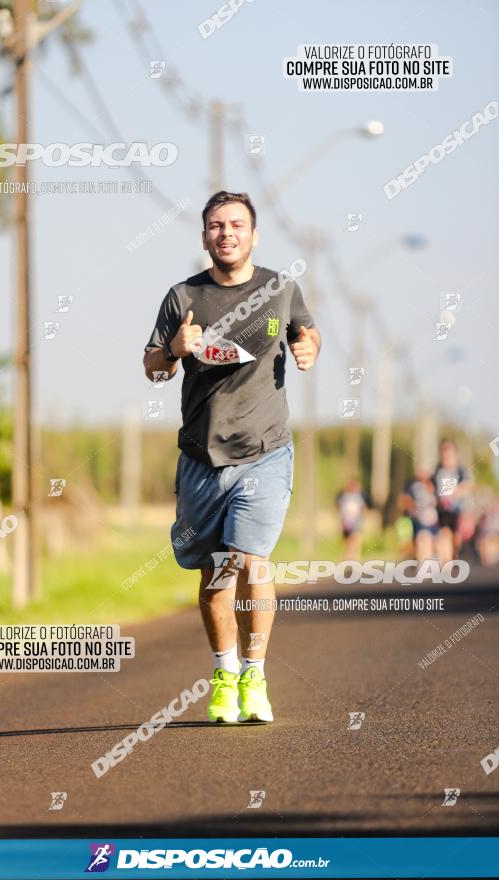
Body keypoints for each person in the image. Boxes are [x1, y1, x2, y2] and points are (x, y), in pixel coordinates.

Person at [143, 190, 321, 723]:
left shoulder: (280, 288)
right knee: (215, 574)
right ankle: (224, 674)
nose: (227, 233)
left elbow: (306, 332)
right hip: (201, 458)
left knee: (251, 561)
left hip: (266, 451)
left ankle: (255, 675)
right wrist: (174, 350)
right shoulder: (182, 297)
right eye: (217, 225)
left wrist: (310, 345)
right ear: (205, 237)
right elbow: (152, 367)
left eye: (237, 224)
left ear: (254, 234)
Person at [433, 440, 471, 565]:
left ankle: (454, 554)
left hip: (458, 509)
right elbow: (433, 486)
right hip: (443, 510)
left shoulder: (461, 470)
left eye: (449, 452)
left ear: (454, 454)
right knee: (445, 534)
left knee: (455, 537)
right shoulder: (438, 469)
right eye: (444, 452)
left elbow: (466, 486)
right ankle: (446, 563)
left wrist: (453, 492)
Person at [400, 468, 439, 563]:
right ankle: (423, 562)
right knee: (420, 539)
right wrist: (412, 507)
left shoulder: (434, 483)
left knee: (428, 539)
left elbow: (438, 500)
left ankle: (429, 561)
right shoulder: (412, 485)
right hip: (418, 518)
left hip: (431, 518)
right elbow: (405, 500)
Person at [336, 479, 367, 561]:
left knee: (353, 540)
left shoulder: (349, 497)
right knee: (350, 541)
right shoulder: (346, 497)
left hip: (354, 521)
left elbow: (362, 508)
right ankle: (350, 558)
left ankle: (352, 558)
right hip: (349, 521)